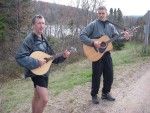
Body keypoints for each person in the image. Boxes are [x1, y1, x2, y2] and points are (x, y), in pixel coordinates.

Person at [15, 15, 71, 113]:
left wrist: (63, 57)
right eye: (39, 23)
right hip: (36, 73)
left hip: (44, 71)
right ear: (34, 25)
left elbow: (51, 58)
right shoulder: (30, 39)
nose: (42, 26)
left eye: (43, 23)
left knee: (37, 96)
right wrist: (36, 62)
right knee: (44, 99)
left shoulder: (44, 39)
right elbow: (19, 57)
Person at [80, 6, 129, 104]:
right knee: (96, 76)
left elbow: (117, 39)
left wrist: (125, 38)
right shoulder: (93, 24)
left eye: (103, 13)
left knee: (109, 75)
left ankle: (105, 93)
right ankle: (94, 95)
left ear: (106, 13)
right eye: (99, 13)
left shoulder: (111, 26)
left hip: (107, 54)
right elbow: (82, 35)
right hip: (96, 54)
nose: (101, 15)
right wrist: (93, 43)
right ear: (97, 14)